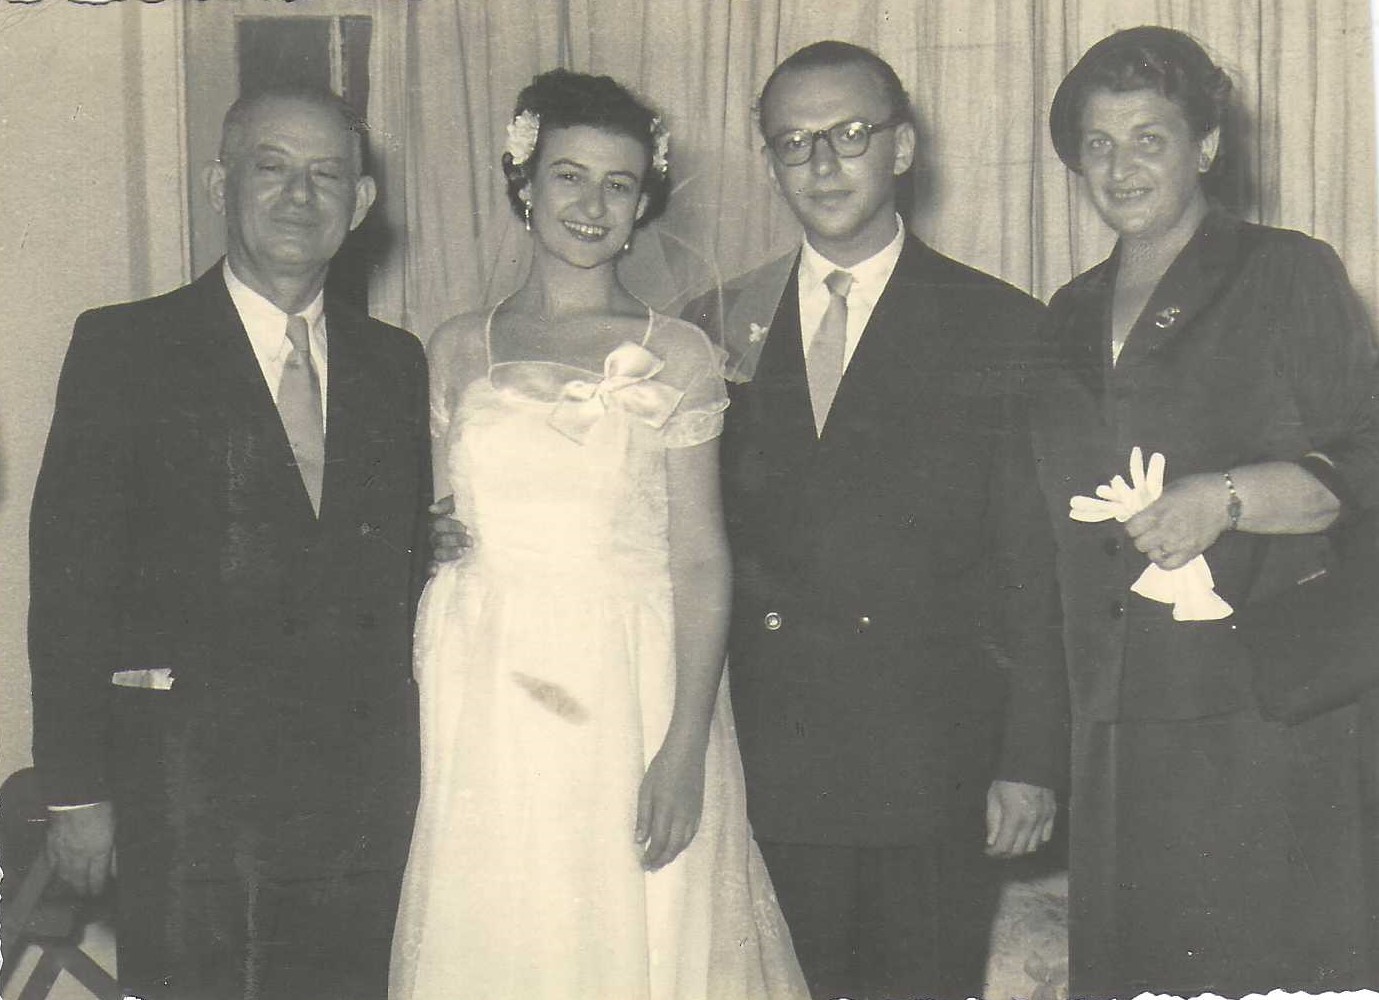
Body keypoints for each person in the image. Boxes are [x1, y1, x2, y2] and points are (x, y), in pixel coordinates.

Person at [388, 69, 807, 1000]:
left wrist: (684, 746)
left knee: (634, 917)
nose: (591, 204)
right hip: (486, 677)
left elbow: (701, 561)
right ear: (524, 183)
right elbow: (432, 520)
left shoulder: (681, 352)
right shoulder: (456, 346)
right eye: (569, 176)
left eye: (619, 184)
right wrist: (426, 540)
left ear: (643, 201)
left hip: (628, 676)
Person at [28, 86, 431, 999]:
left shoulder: (396, 364)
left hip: (359, 806)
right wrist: (77, 790)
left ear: (361, 202)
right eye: (272, 167)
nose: (300, 194)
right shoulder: (125, 347)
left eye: (327, 173)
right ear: (220, 183)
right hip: (188, 800)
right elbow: (68, 585)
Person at [684, 41, 1067, 1000]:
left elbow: (1035, 567)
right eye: (793, 142)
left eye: (848, 134)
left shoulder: (1003, 330)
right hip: (766, 759)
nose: (821, 164)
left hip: (927, 768)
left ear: (901, 148)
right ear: (768, 162)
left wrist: (1028, 760)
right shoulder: (706, 327)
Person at [1034, 25, 1379, 996]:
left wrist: (1224, 498)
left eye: (1148, 136)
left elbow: (1367, 454)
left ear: (1206, 147)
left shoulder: (1282, 272)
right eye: (1096, 143)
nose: (1120, 164)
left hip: (1258, 719)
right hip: (1110, 724)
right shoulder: (1063, 311)